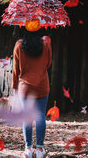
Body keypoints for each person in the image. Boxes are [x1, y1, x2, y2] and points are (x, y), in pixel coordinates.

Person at [12, 19, 52, 158]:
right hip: (42, 85)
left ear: (24, 29)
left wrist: (14, 86)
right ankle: (40, 150)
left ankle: (28, 150)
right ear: (40, 29)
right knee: (41, 117)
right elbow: (48, 63)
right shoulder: (46, 45)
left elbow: (15, 69)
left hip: (25, 88)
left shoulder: (18, 45)